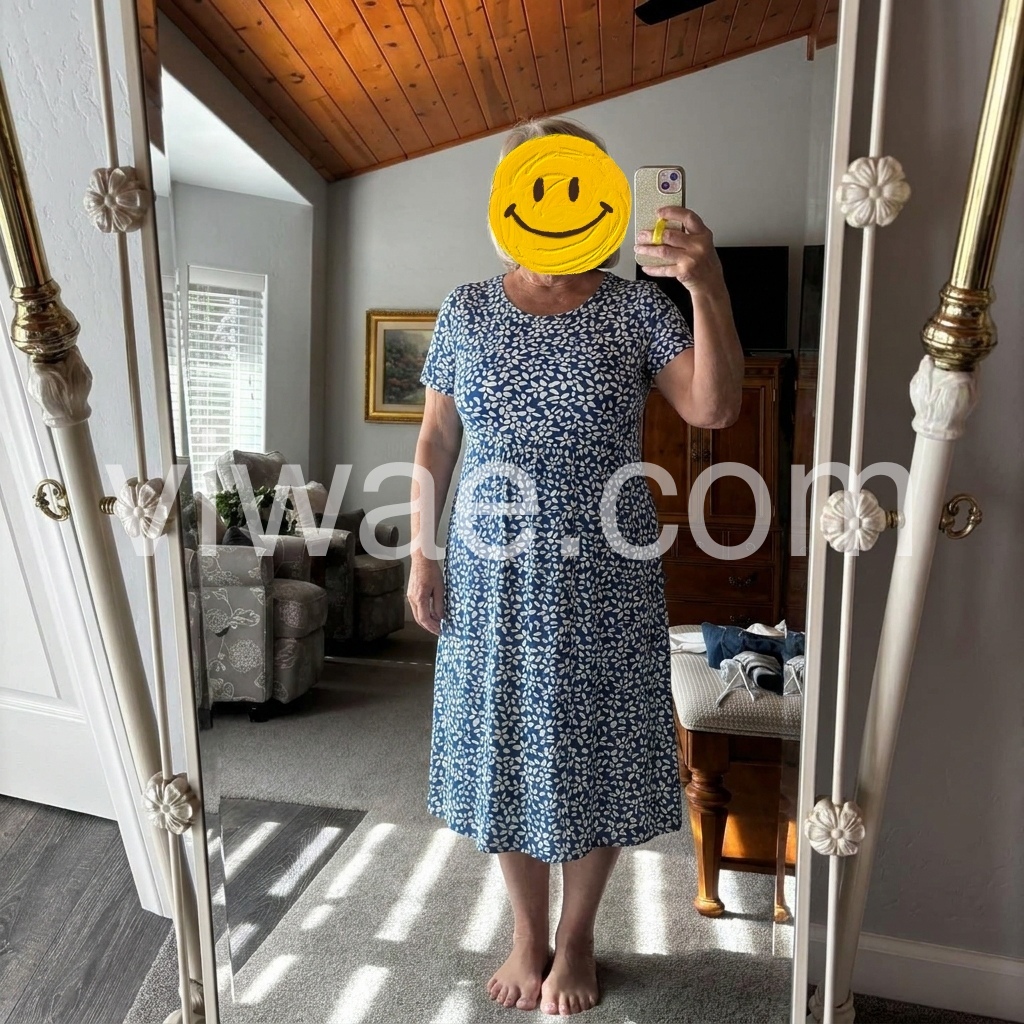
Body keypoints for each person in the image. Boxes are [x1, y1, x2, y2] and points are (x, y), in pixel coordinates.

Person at [408, 116, 743, 1017]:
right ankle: (527, 934)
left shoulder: (638, 307)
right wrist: (422, 554)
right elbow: (436, 440)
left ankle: (580, 933)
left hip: (605, 569)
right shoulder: (465, 307)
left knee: (597, 746)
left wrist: (706, 283)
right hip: (489, 572)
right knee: (505, 743)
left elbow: (713, 407)